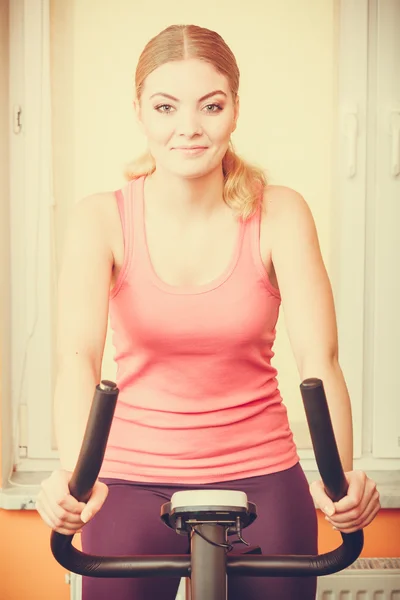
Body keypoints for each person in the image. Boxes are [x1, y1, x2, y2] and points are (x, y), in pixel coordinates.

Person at [36, 24, 380, 600]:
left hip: (262, 478)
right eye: (166, 106)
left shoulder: (281, 212)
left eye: (211, 105)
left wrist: (339, 485)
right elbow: (77, 362)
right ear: (140, 111)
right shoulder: (101, 219)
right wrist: (74, 483)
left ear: (236, 109)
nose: (188, 128)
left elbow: (322, 359)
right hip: (128, 482)